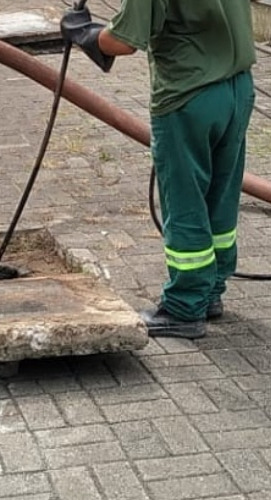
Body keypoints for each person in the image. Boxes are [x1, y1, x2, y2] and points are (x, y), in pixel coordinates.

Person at [61, 0, 256, 339]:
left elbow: (124, 40)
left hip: (188, 96)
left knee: (185, 202)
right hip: (238, 90)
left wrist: (85, 35)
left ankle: (184, 306)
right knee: (222, 196)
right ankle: (211, 292)